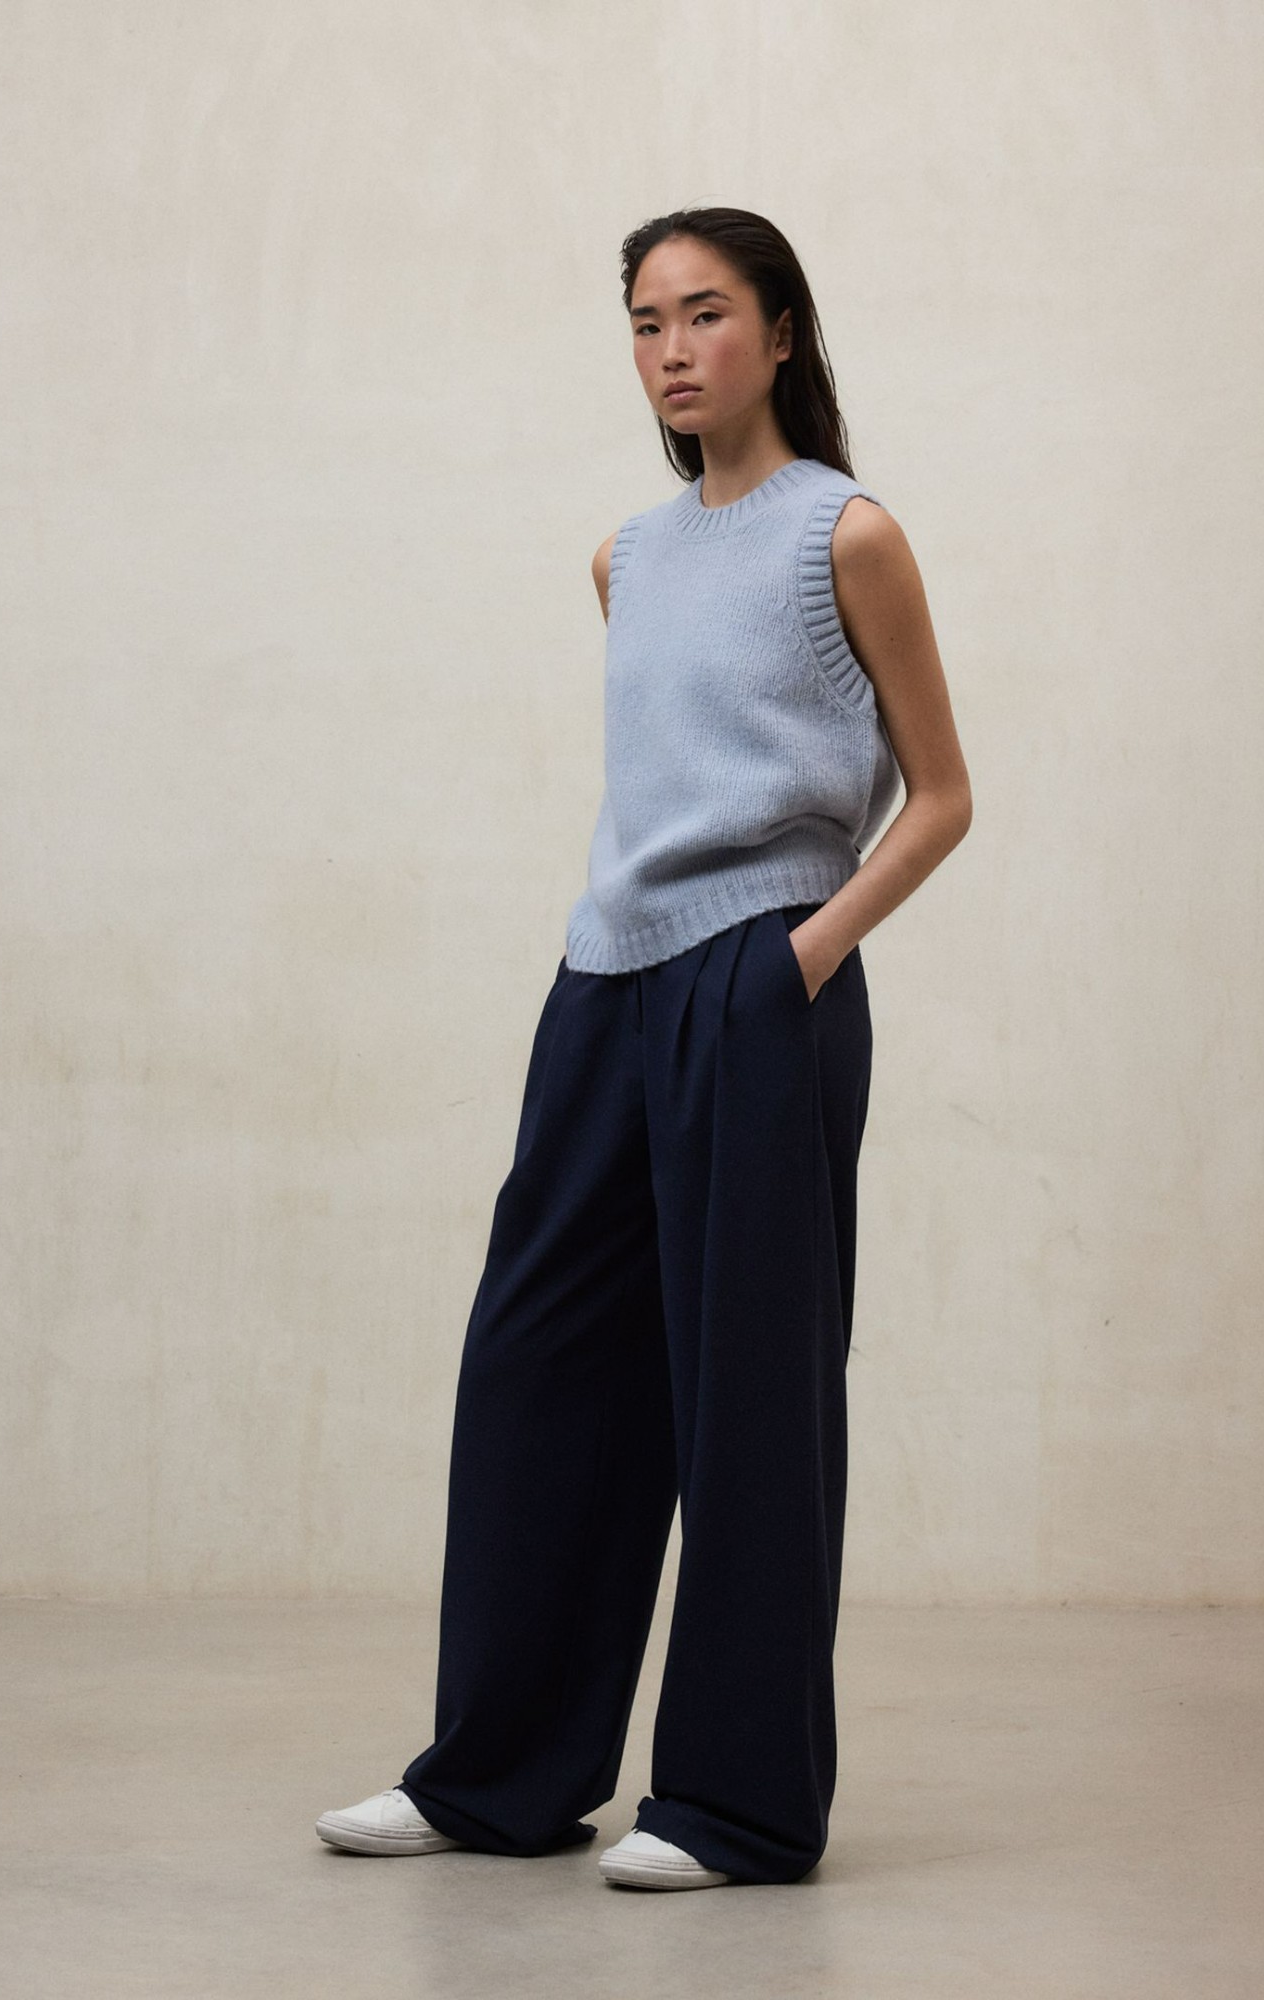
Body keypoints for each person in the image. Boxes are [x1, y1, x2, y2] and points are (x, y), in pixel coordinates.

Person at [316, 205, 972, 1890]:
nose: (672, 350)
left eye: (705, 313)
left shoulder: (849, 536)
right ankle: (499, 1778)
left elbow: (943, 795)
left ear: (783, 330)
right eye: (645, 323)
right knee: (538, 1370)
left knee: (750, 1392)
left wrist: (798, 957)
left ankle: (735, 1808)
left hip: (758, 986)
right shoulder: (628, 556)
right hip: (602, 985)